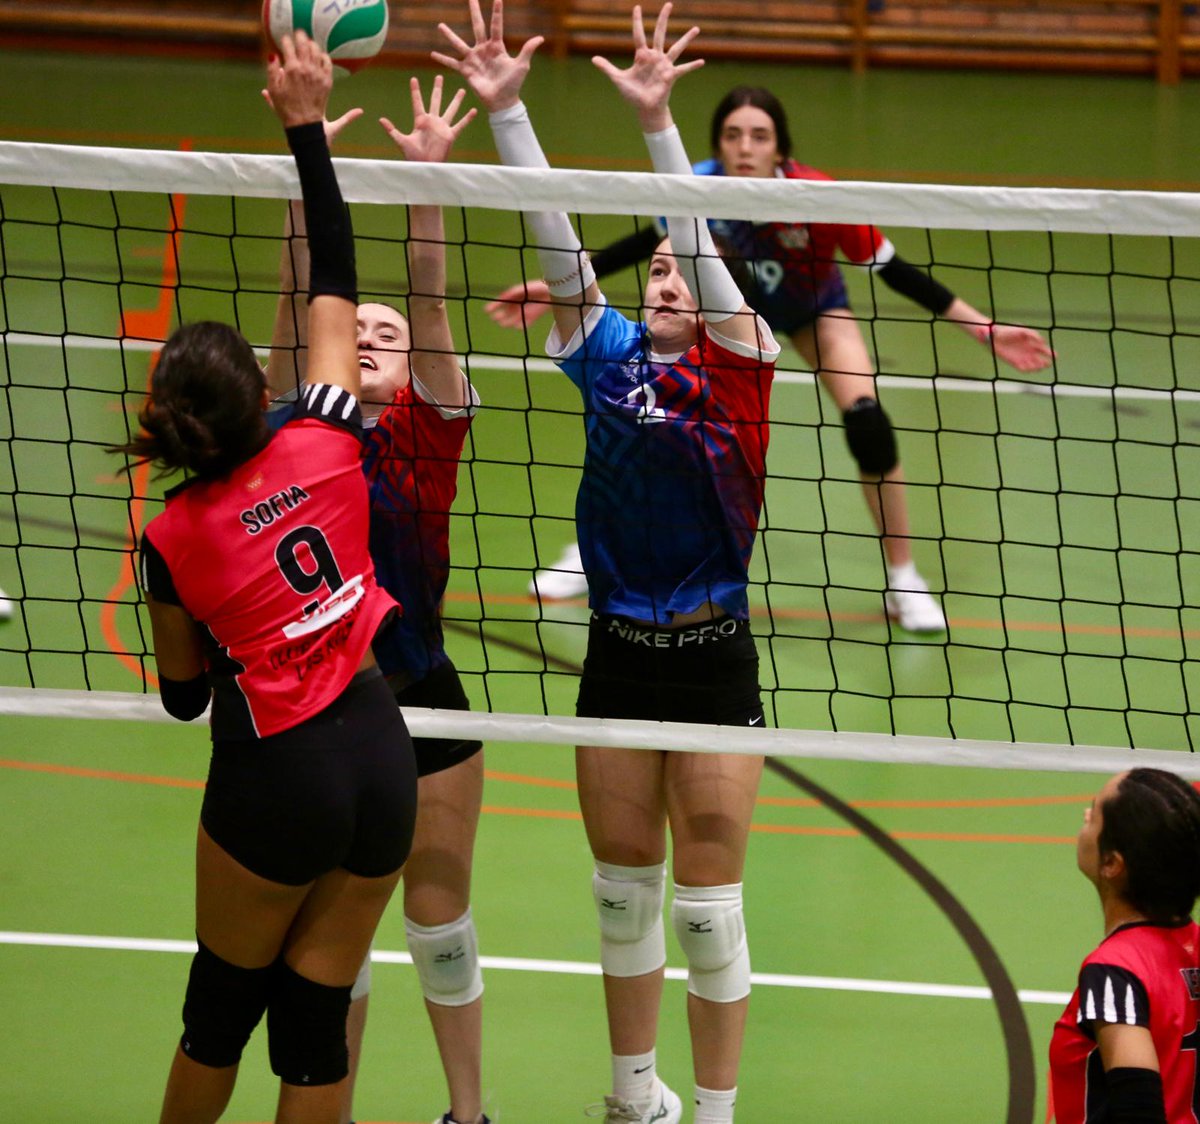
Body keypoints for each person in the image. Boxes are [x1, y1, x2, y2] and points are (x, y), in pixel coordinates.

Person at [436, 4, 779, 1121]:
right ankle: (635, 1096)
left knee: (707, 912)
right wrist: (509, 111)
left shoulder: (745, 360)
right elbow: (555, 236)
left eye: (688, 268)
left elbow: (707, 256)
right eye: (662, 272)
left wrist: (660, 128)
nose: (672, 280)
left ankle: (716, 1110)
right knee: (625, 897)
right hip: (618, 658)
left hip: (715, 655)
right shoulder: (605, 349)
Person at [114, 34, 419, 1124]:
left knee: (219, 1009)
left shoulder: (172, 536)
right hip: (383, 750)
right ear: (258, 394)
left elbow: (187, 693)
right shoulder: (328, 433)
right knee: (312, 1025)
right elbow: (335, 275)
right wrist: (304, 126)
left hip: (277, 771)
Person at [490, 88, 1055, 632]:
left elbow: (893, 269)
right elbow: (649, 242)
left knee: (868, 422)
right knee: (645, 417)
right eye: (733, 135)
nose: (745, 147)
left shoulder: (816, 195)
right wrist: (556, 282)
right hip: (717, 314)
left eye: (759, 136)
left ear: (780, 149)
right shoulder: (701, 184)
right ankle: (592, 560)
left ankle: (902, 577)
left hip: (813, 311)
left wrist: (985, 329)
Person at [266, 77, 489, 1124]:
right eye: (357, 330)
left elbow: (434, 298)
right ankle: (334, 1111)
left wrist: (431, 182)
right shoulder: (305, 431)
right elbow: (296, 310)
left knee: (442, 922)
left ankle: (467, 1110)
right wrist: (296, 181)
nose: (371, 337)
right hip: (326, 697)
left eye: (388, 335)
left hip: (427, 687)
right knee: (334, 930)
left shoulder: (432, 421)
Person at [1048, 767, 1200, 1123]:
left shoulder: (1115, 972)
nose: (1085, 816)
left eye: (1094, 812)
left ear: (1112, 863)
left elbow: (1138, 1108)